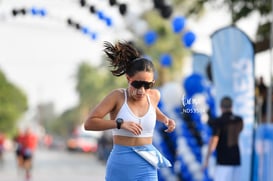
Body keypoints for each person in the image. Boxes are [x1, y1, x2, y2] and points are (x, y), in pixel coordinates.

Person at [84, 41, 176, 181]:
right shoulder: (117, 97)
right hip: (121, 164)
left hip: (147, 163)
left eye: (147, 85)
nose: (142, 91)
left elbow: (152, 109)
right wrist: (119, 124)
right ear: (128, 79)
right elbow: (89, 123)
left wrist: (165, 119)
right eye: (137, 84)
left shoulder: (154, 96)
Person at [203, 96, 243, 181]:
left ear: (221, 107)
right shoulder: (239, 121)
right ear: (232, 107)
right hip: (236, 160)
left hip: (224, 161)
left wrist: (207, 159)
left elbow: (214, 140)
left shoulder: (219, 121)